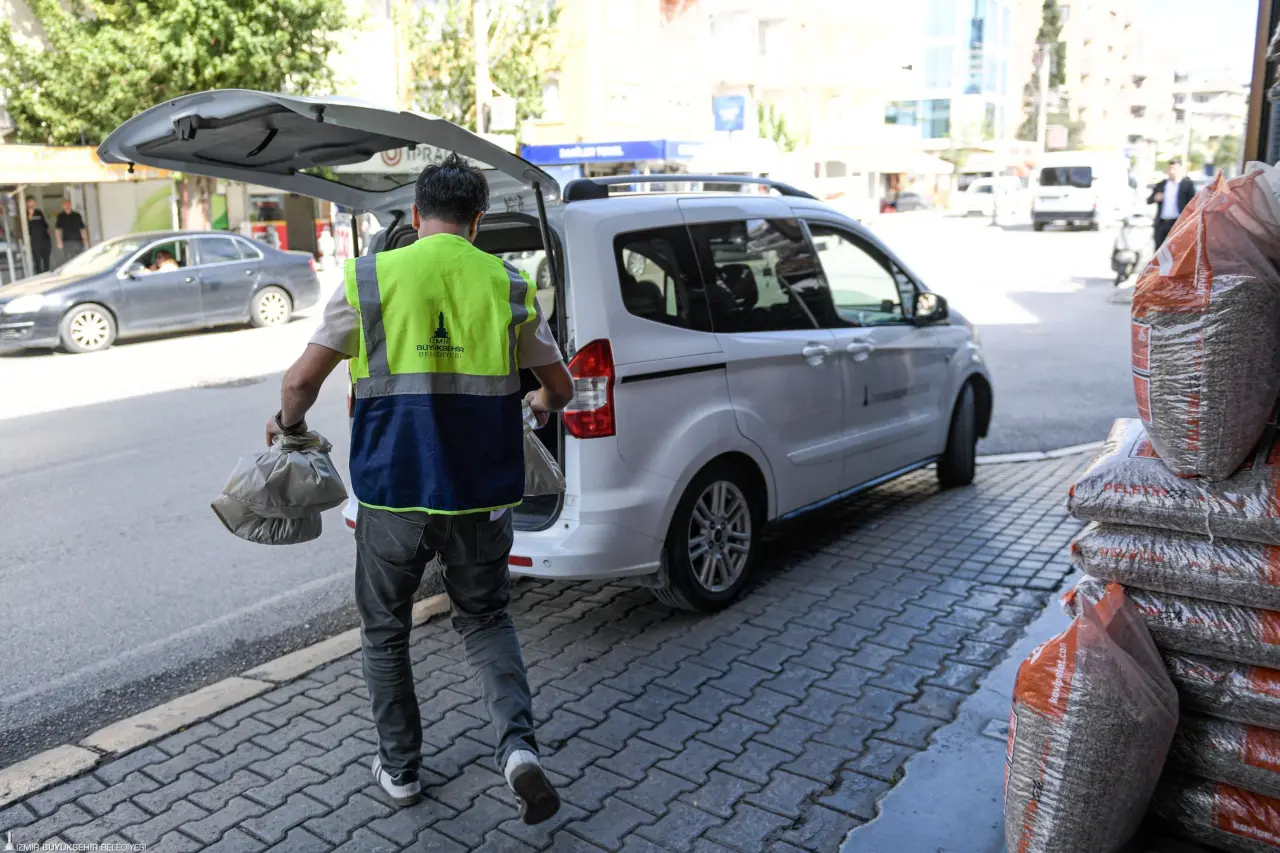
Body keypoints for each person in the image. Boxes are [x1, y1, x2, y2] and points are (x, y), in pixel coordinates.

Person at [265, 154, 574, 822]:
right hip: (481, 497)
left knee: (385, 629)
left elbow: (299, 383)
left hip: (392, 496)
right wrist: (540, 402)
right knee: (485, 618)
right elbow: (561, 386)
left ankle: (401, 769)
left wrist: (288, 425)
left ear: (415, 214)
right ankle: (518, 752)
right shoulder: (507, 283)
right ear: (477, 221)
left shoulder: (369, 277)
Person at [1147, 158, 1196, 251]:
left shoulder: (1186, 184)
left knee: (1176, 251)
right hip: (1162, 223)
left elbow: (1193, 203)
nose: (1172, 171)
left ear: (1180, 170)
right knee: (1159, 250)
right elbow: (1149, 200)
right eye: (1170, 169)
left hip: (1177, 223)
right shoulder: (1162, 184)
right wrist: (1155, 198)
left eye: (1175, 169)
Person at [25, 197, 51, 274]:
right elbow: (25, 227)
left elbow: (45, 224)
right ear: (27, 203)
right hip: (35, 240)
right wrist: (30, 215)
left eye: (33, 202)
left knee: (46, 258)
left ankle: (47, 273)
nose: (32, 204)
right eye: (30, 202)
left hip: (44, 238)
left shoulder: (39, 212)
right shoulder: (24, 213)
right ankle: (39, 275)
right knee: (37, 260)